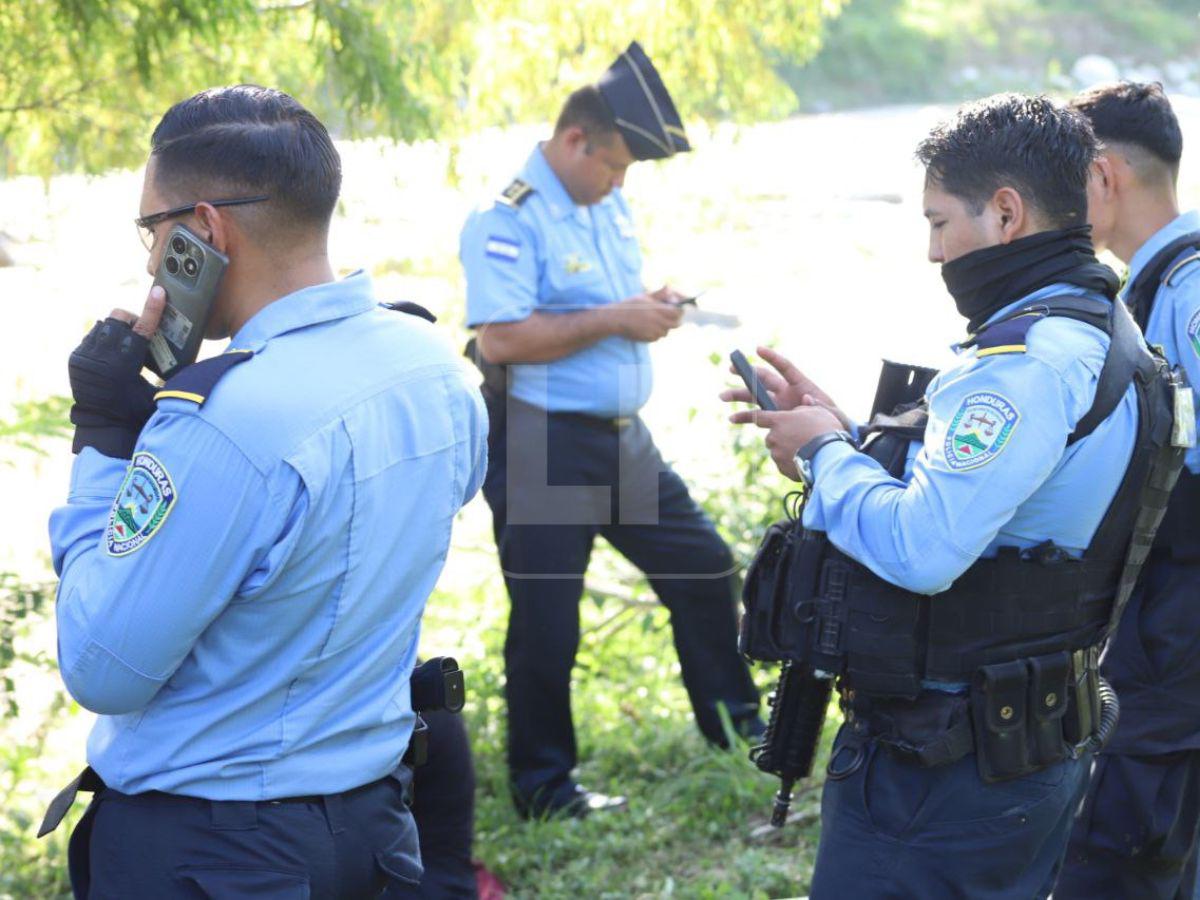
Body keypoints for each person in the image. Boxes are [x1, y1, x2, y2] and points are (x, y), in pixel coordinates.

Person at [725, 93, 1185, 897]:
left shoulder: (1027, 363)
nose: (934, 252)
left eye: (939, 223)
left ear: (1005, 213)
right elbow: (1007, 498)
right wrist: (847, 432)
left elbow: (925, 548)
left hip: (945, 769)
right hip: (1017, 741)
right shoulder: (1100, 323)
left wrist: (826, 458)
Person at [42, 85, 488, 897]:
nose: (149, 262)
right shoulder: (435, 372)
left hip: (210, 849)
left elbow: (102, 667)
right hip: (378, 828)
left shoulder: (218, 424)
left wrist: (105, 446)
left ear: (205, 230)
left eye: (153, 230)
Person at [459, 41, 761, 819]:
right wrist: (617, 318)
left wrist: (646, 304)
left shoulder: (603, 200)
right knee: (550, 621)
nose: (621, 182)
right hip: (546, 437)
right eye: (615, 165)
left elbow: (601, 305)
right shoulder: (507, 216)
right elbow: (501, 338)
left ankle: (740, 735)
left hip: (619, 436)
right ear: (573, 141)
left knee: (702, 565)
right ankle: (545, 788)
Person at [1054, 81, 1200, 900]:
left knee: (1123, 849)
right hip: (1165, 619)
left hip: (1181, 626)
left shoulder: (1187, 289)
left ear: (1103, 177)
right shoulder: (1150, 286)